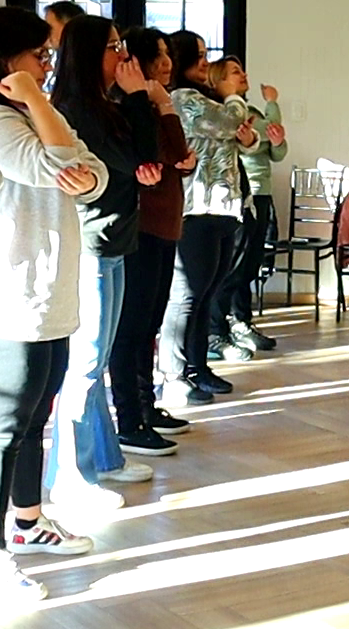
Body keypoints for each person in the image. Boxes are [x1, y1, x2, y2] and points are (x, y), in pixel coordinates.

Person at [0, 7, 108, 579]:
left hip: (47, 293)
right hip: (3, 296)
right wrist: (43, 108)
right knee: (0, 432)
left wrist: (83, 172)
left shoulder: (36, 111)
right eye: (39, 56)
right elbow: (55, 165)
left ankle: (27, 519)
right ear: (5, 60)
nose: (47, 66)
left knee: (33, 419)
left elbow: (92, 172)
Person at [45, 15, 161, 491]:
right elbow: (140, 160)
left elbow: (148, 161)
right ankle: (71, 475)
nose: (124, 56)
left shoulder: (105, 104)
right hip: (90, 243)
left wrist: (134, 104)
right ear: (90, 54)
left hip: (114, 239)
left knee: (100, 358)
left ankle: (106, 459)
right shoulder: (77, 109)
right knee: (87, 363)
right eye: (114, 47)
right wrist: (139, 98)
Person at [160, 31, 256, 407]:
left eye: (205, 54)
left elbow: (239, 135)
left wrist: (248, 139)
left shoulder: (207, 100)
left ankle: (198, 367)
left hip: (222, 208)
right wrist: (233, 95)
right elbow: (231, 122)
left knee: (207, 294)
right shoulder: (183, 98)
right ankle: (173, 374)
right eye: (198, 55)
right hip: (195, 209)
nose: (205, 62)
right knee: (187, 296)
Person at [110, 27, 194, 452]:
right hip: (142, 227)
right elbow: (174, 155)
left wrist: (164, 108)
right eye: (158, 55)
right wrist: (163, 106)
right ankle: (130, 418)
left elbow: (182, 161)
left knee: (150, 325)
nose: (166, 63)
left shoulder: (151, 103)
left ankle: (146, 407)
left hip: (165, 225)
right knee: (134, 327)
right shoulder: (134, 106)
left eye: (167, 54)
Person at [209, 57, 288, 357]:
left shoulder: (251, 111)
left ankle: (241, 321)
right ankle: (218, 330)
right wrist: (273, 104)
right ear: (219, 79)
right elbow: (268, 128)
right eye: (235, 72)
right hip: (241, 194)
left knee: (251, 262)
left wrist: (276, 140)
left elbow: (277, 148)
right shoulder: (226, 113)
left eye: (242, 70)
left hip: (262, 193)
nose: (243, 75)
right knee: (234, 264)